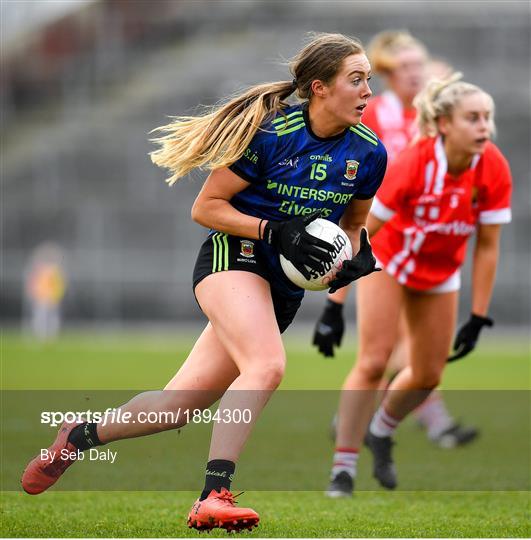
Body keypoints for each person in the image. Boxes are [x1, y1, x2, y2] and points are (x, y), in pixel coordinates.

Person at [21, 33, 387, 531]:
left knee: (175, 408)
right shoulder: (272, 134)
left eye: (369, 79)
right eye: (357, 79)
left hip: (283, 285)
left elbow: (352, 226)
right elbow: (206, 208)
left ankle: (79, 435)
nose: (369, 90)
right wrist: (274, 230)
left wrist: (351, 261)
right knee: (266, 366)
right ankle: (213, 494)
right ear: (320, 87)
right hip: (231, 259)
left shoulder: (368, 154)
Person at [318, 73, 512, 497]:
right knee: (373, 361)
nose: (484, 127)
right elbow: (363, 231)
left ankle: (381, 430)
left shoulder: (493, 166)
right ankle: (343, 470)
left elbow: (487, 247)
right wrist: (335, 303)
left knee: (426, 375)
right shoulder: (413, 162)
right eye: (473, 118)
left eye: (487, 118)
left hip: (440, 274)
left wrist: (478, 315)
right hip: (388, 262)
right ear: (444, 124)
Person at [314, 31, 478, 450]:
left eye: (418, 67)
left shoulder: (434, 120)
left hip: (427, 244)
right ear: (385, 73)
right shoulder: (373, 114)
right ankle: (419, 422)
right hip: (381, 240)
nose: (414, 75)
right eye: (404, 67)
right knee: (391, 352)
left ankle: (362, 418)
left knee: (409, 352)